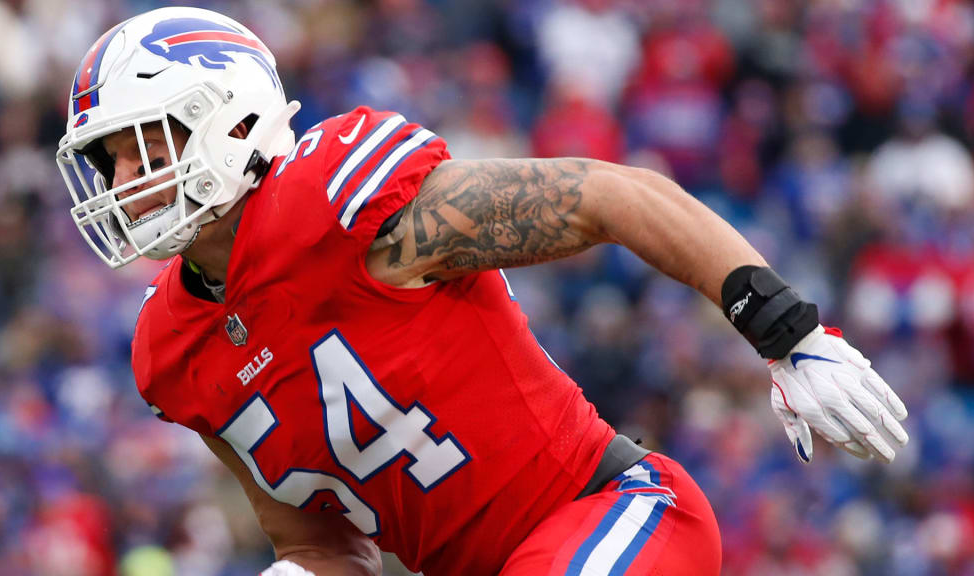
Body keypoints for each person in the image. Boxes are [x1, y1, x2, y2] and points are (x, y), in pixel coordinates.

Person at [55, 7, 909, 576]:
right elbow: (317, 539)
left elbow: (610, 196)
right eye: (111, 161)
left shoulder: (333, 200)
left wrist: (785, 329)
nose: (123, 180)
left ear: (229, 117)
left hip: (611, 513)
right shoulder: (171, 349)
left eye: (143, 146)